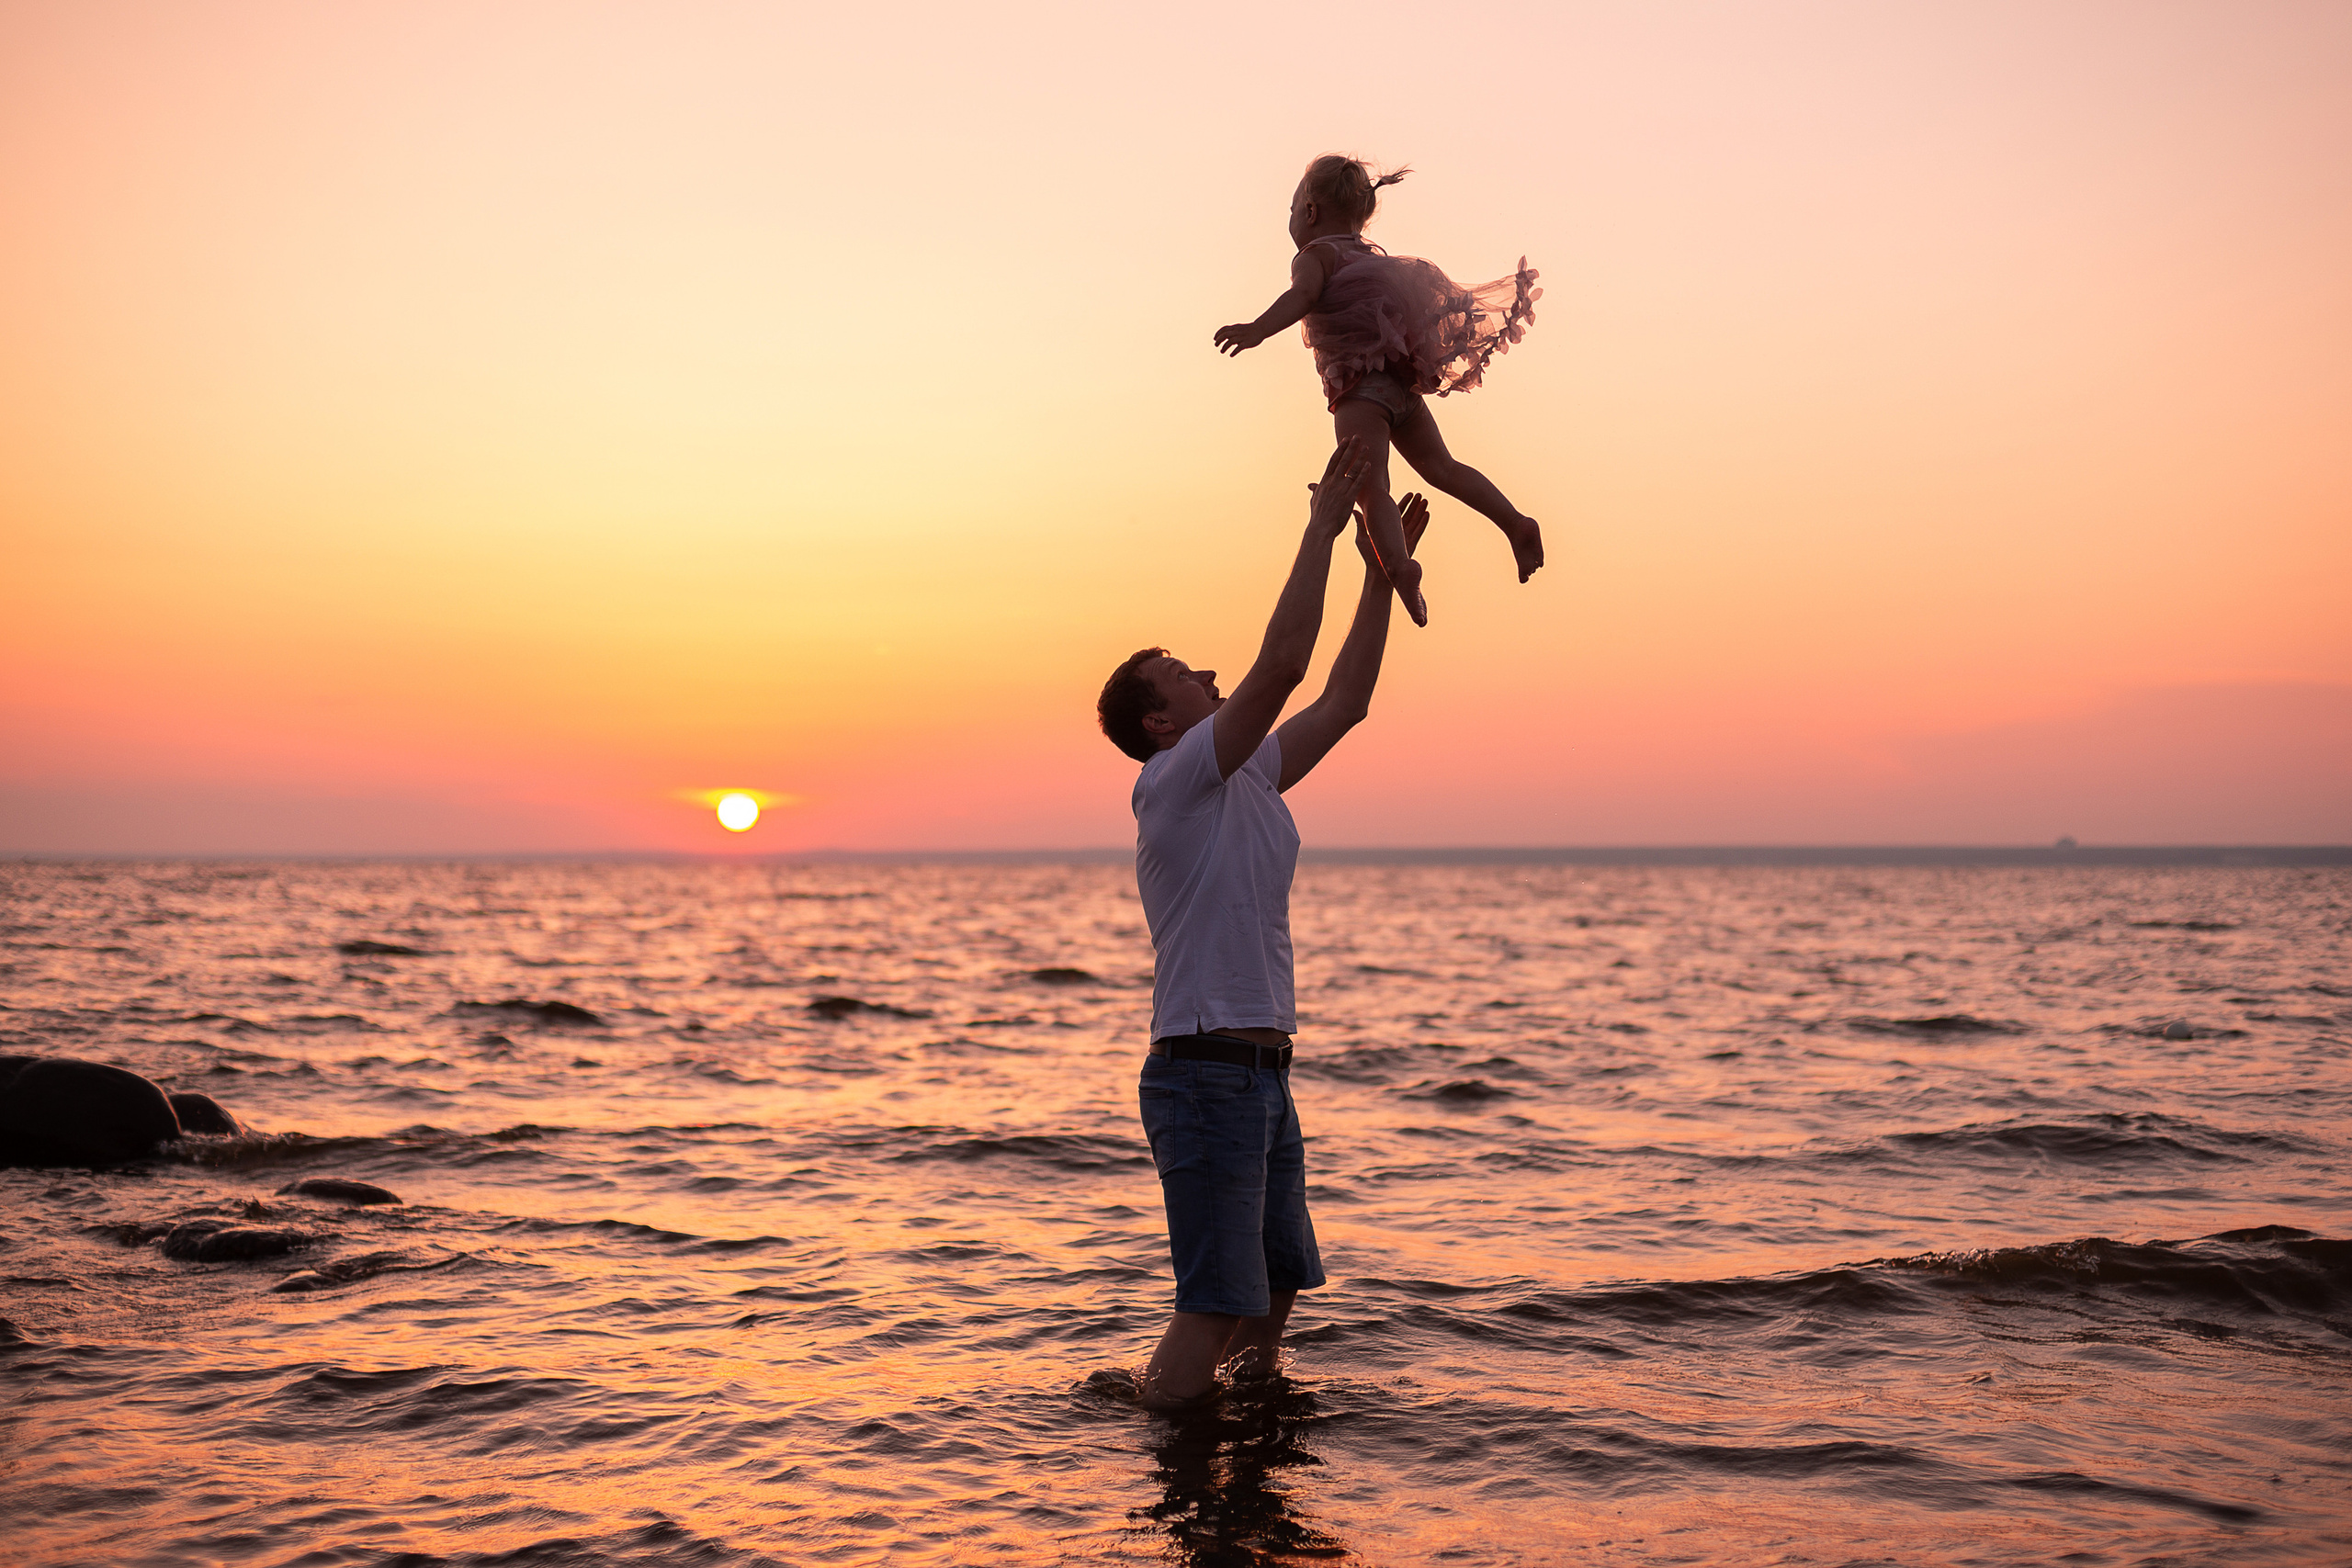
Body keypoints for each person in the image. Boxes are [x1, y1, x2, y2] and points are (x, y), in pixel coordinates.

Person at [1094, 437, 1429, 1411]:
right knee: (1212, 1302)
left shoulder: (1249, 776)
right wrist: (1321, 525)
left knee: (1277, 1285)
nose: (1207, 672)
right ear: (1162, 725)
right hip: (1203, 1074)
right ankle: (1174, 1471)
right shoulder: (1176, 780)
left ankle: (1247, 1460)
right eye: (1185, 674)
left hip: (1262, 1073)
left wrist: (1378, 579)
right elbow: (1283, 664)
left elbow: (1346, 700)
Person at [1214, 154, 1545, 627]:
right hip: (1400, 387)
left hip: (1358, 393)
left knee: (1371, 490)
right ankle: (1515, 523)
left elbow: (1302, 297)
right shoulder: (1370, 257)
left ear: (1309, 212)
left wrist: (1257, 329)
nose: (1289, 219)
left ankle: (1400, 567)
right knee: (1442, 467)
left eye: (1291, 209)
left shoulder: (1315, 257)